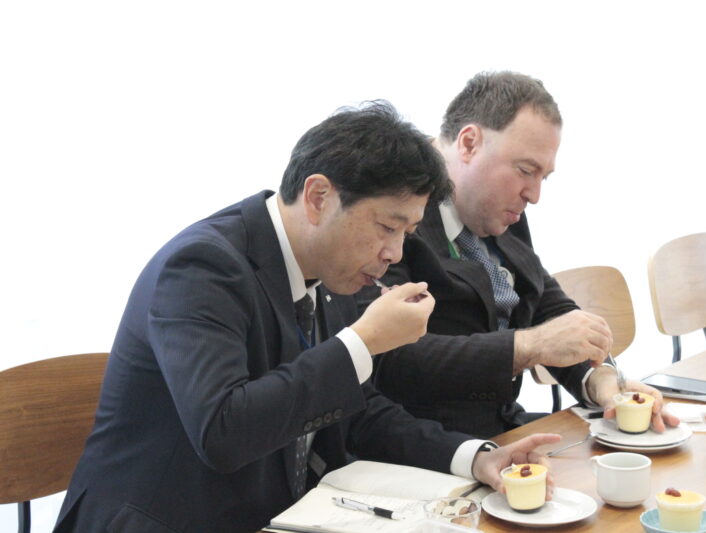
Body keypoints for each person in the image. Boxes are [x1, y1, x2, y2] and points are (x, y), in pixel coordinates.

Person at [53, 102, 561, 533]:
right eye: (387, 226)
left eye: (406, 233)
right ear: (319, 198)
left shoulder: (331, 271)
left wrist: (477, 457)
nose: (393, 253)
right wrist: (362, 343)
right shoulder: (202, 267)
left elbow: (357, 411)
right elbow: (223, 432)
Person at [356, 73, 680, 439]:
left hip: (507, 430)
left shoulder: (498, 207)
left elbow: (544, 301)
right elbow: (389, 356)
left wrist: (600, 380)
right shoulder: (392, 209)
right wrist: (529, 346)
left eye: (544, 177)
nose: (534, 195)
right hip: (425, 444)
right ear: (469, 144)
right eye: (526, 171)